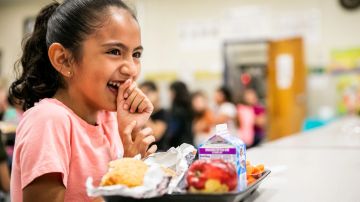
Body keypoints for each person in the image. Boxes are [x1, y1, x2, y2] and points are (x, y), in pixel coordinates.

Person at [9, 1, 156, 201]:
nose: (131, 69)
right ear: (63, 59)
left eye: (136, 54)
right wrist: (127, 169)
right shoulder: (49, 120)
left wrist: (130, 135)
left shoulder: (109, 119)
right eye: (114, 51)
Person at [139, 81, 168, 151]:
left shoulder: (163, 113)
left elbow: (156, 135)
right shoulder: (138, 113)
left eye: (146, 93)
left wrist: (144, 113)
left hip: (160, 154)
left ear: (156, 93)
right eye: (141, 94)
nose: (144, 97)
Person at [165, 81, 193, 148]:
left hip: (178, 145)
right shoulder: (188, 106)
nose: (169, 94)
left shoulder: (177, 110)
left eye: (171, 91)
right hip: (188, 143)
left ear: (175, 92)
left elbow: (172, 131)